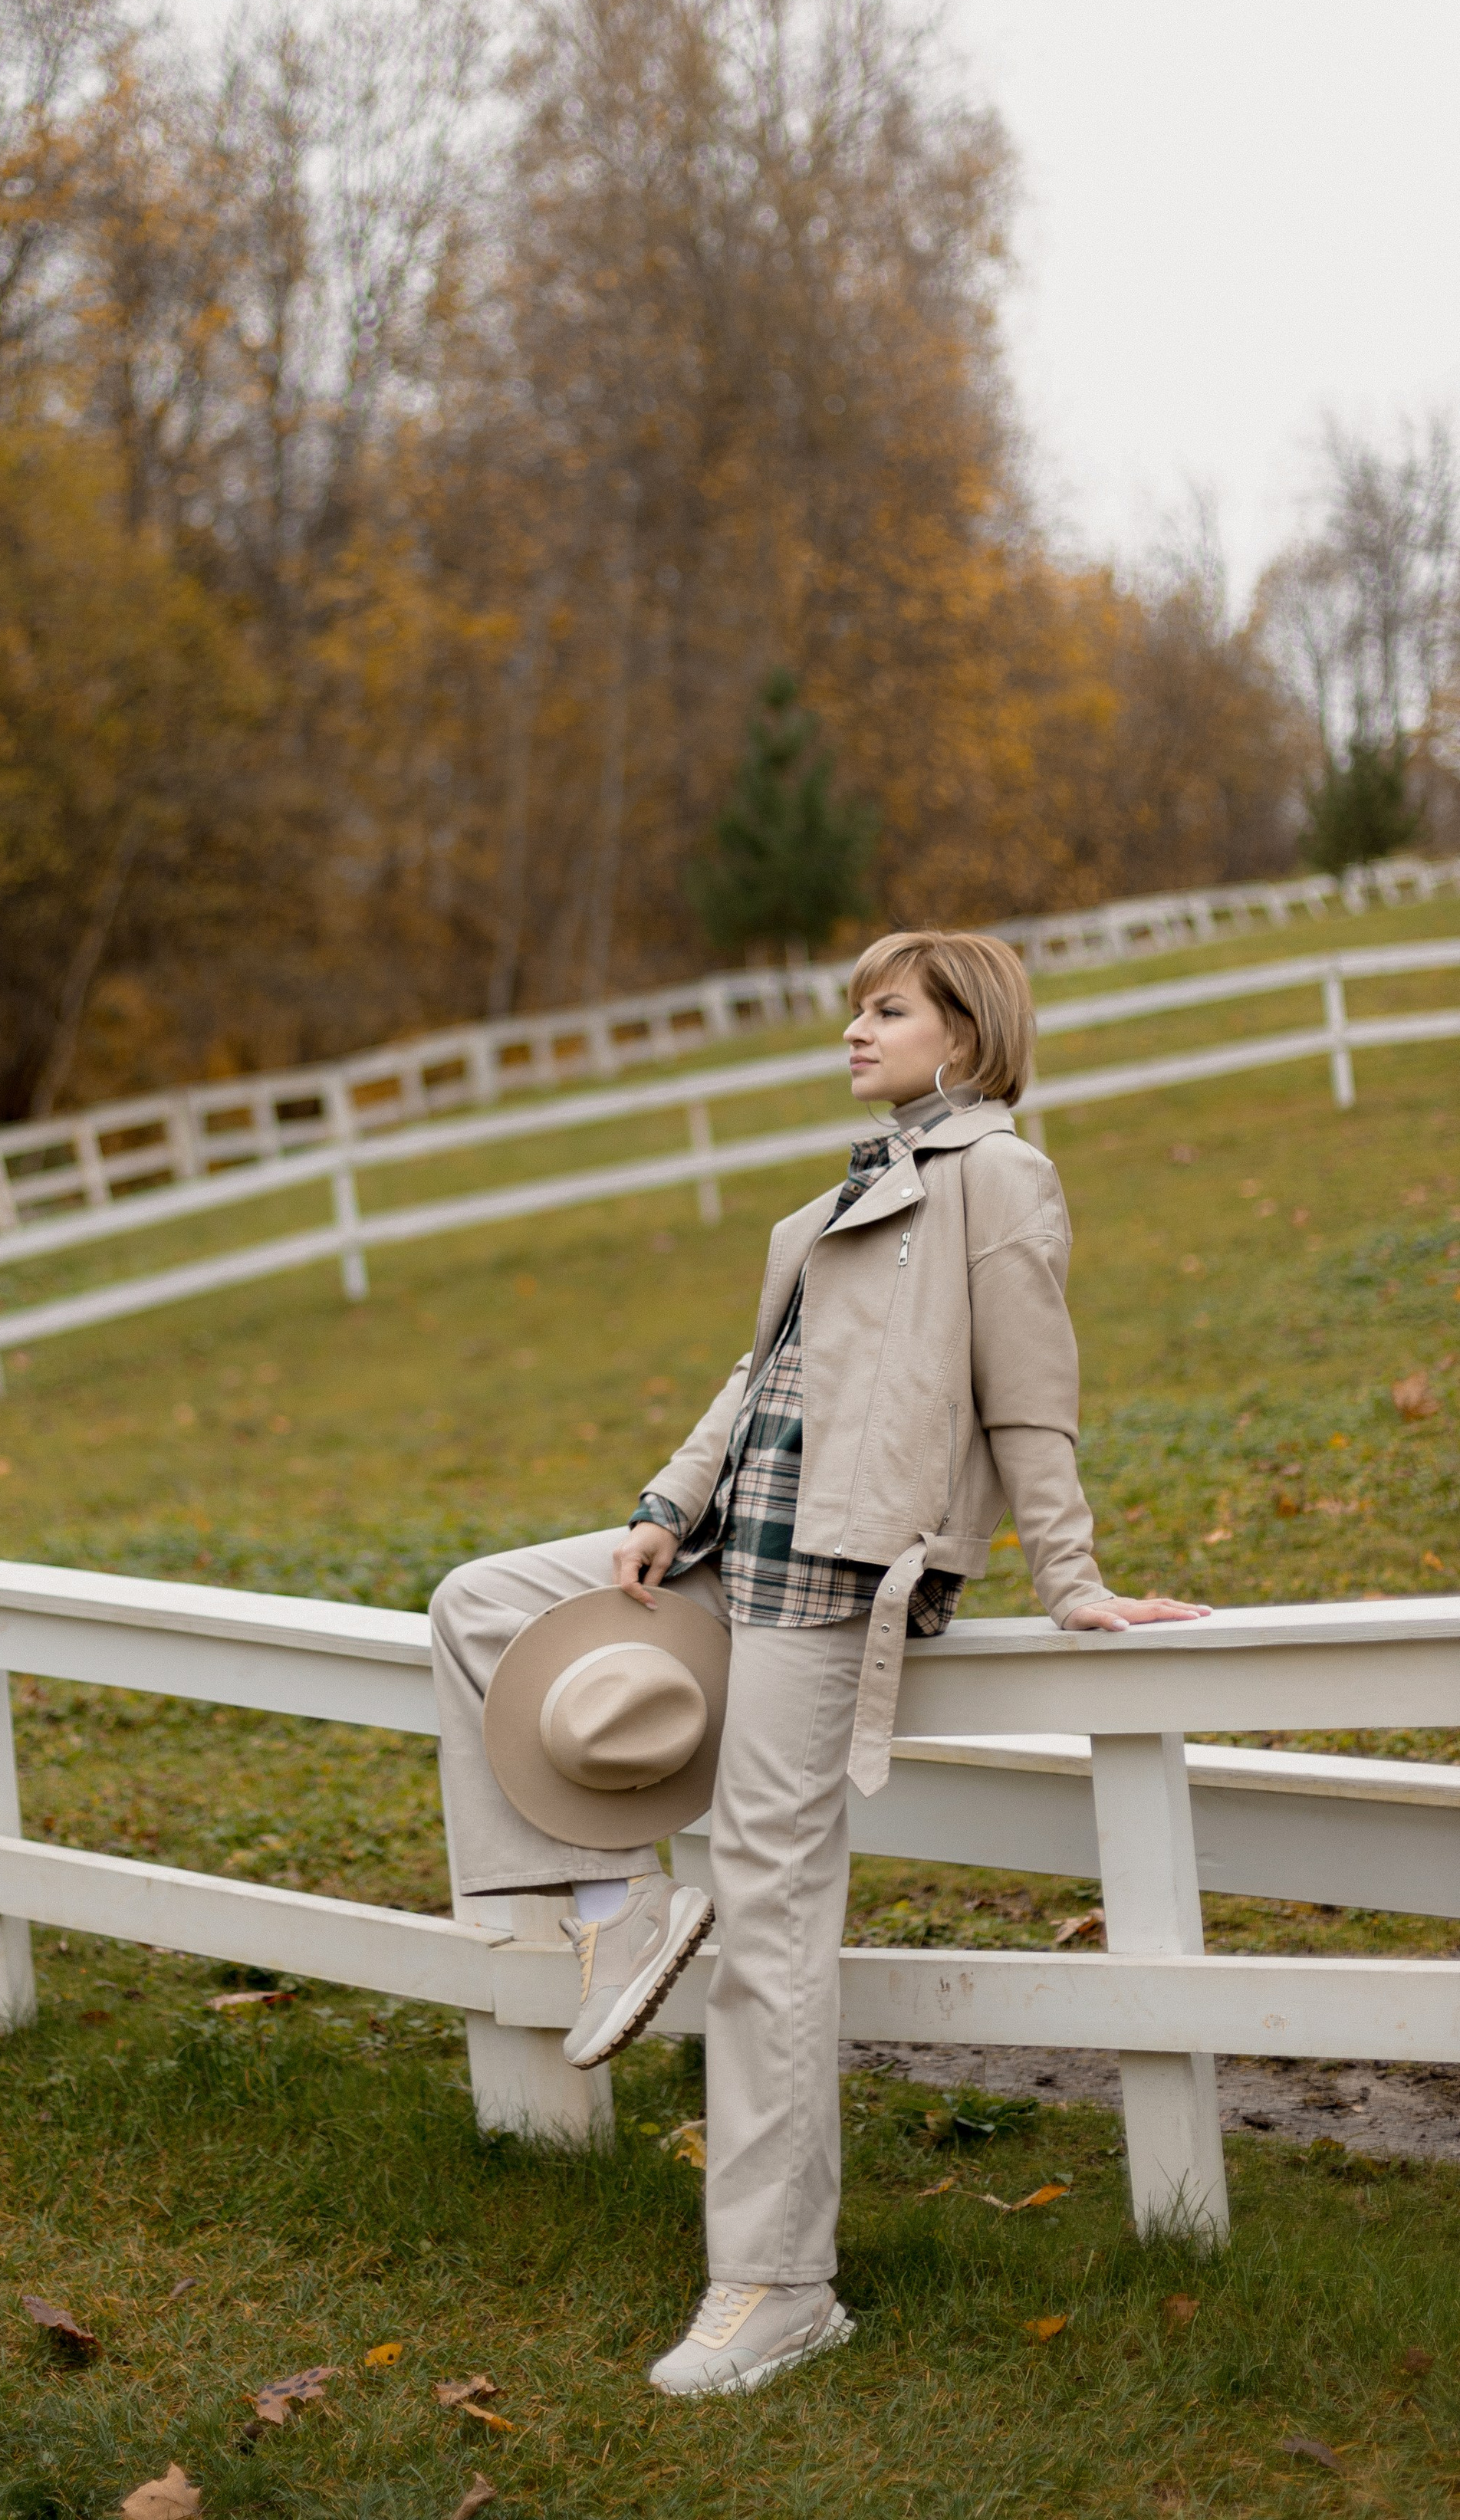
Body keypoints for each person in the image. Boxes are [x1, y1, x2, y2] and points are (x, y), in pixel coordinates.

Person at [429, 928, 1208, 2397]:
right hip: (736, 1547)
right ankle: (611, 1908)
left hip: (839, 1580)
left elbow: (1031, 1397)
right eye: (855, 1009)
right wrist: (664, 1506)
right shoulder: (854, 1185)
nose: (855, 1029)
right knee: (481, 1605)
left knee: (773, 1918)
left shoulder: (999, 1179)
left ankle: (778, 2286)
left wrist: (1075, 1581)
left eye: (886, 1009)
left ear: (963, 1037)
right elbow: (756, 1380)